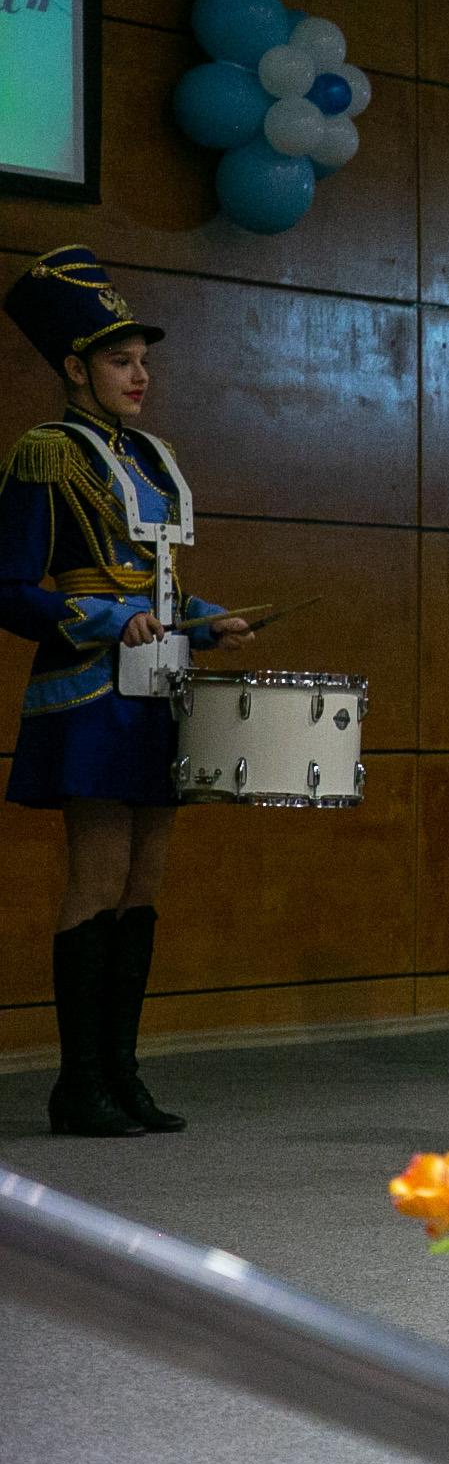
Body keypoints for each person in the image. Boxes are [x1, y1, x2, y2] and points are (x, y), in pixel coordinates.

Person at [0, 246, 252, 1137]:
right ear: (74, 368)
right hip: (87, 695)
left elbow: (157, 581)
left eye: (143, 359)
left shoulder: (149, 454)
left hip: (159, 689)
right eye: (118, 359)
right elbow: (10, 586)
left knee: (144, 883)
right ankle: (78, 1085)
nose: (139, 374)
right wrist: (109, 623)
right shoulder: (45, 455)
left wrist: (206, 615)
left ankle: (124, 1073)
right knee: (99, 879)